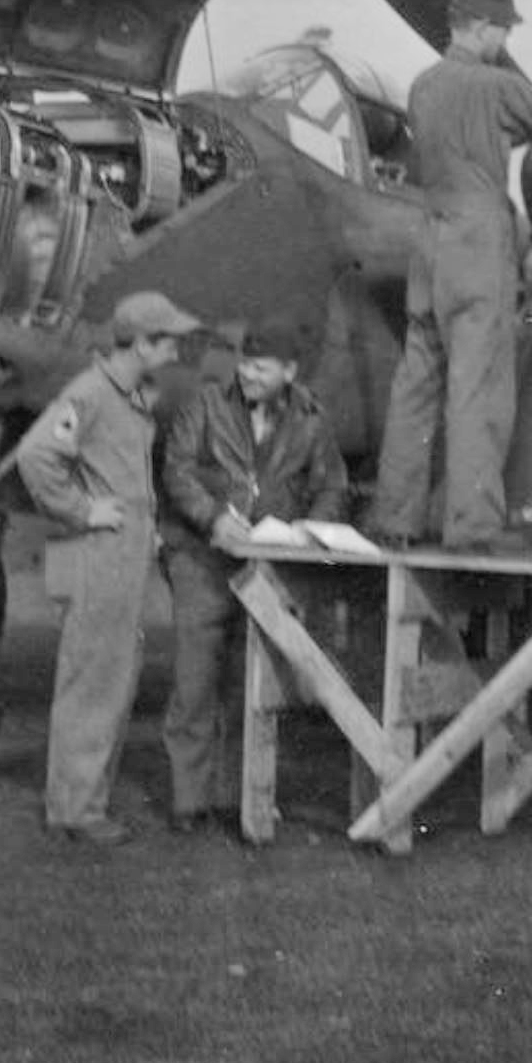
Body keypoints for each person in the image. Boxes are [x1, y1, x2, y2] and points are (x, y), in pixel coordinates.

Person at [369, 0, 532, 551]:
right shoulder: (495, 85)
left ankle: (394, 520)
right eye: (503, 30)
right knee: (480, 383)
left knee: (416, 380)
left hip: (429, 238)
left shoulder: (424, 85)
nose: (503, 41)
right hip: (478, 237)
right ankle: (472, 526)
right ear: (487, 28)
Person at [16, 289, 207, 846]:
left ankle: (83, 802)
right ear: (142, 343)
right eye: (167, 339)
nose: (176, 348)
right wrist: (81, 510)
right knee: (94, 678)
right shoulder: (93, 393)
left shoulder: (127, 395)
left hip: (124, 555)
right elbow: (36, 456)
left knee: (113, 677)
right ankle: (75, 810)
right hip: (102, 556)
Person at [156, 313, 350, 835]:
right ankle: (188, 801)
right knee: (194, 681)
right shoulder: (206, 405)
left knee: (252, 685)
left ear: (289, 371)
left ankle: (239, 796)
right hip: (200, 559)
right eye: (246, 363)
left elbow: (332, 484)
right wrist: (214, 518)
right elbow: (177, 469)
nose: (248, 375)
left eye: (261, 368)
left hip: (266, 565)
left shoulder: (312, 419)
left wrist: (311, 529)